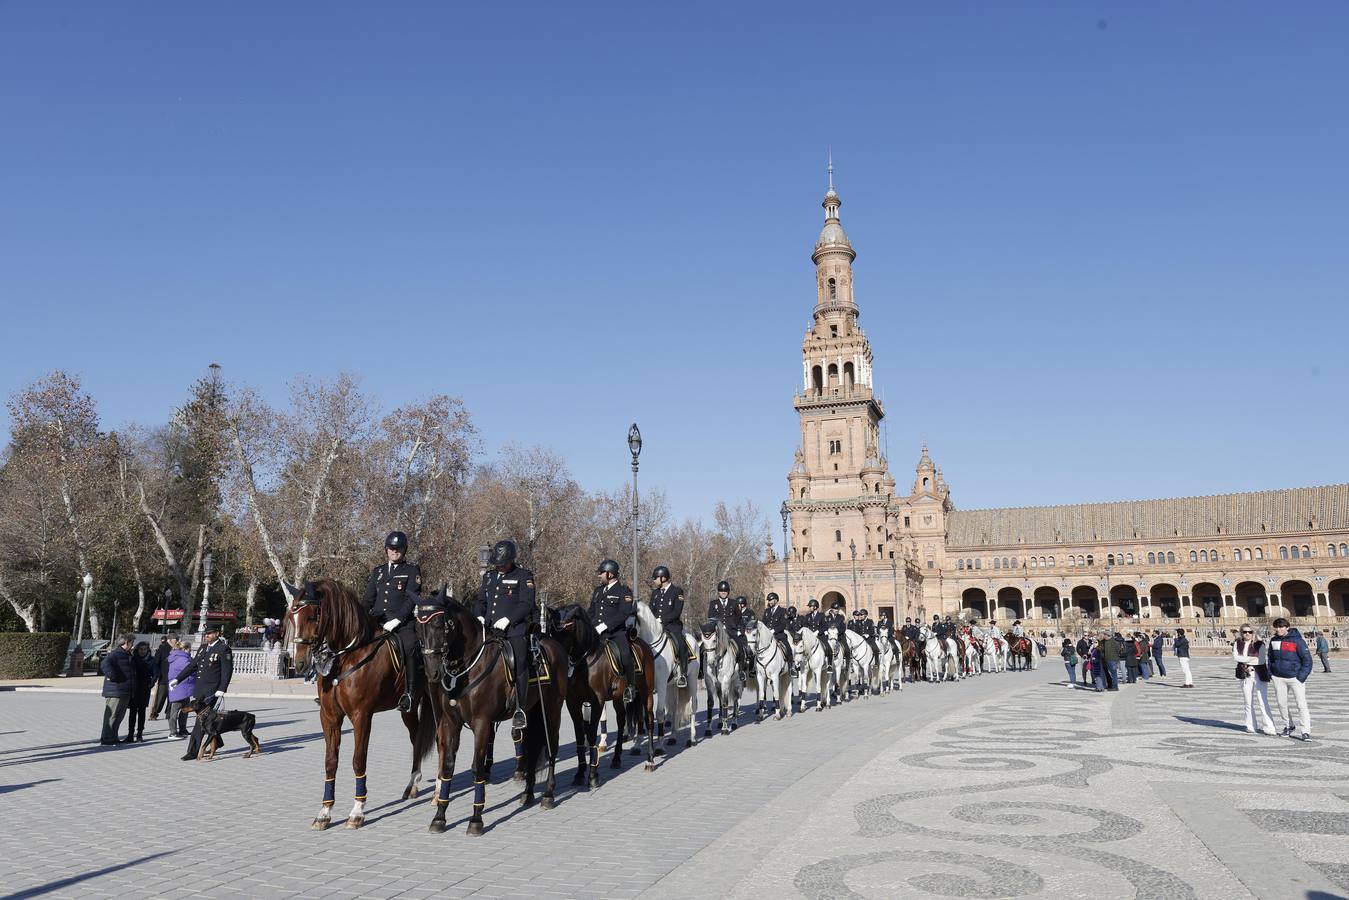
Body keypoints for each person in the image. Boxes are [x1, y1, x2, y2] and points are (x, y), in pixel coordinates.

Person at [361, 530, 423, 712]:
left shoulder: (412, 571)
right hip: (377, 620)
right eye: (391, 548)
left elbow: (412, 598)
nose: (394, 552)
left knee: (411, 646)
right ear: (386, 549)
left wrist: (397, 619)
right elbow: (368, 599)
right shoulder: (378, 572)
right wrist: (359, 616)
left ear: (404, 551)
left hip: (401, 623)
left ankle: (410, 694)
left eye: (398, 549)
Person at [480, 539, 537, 730]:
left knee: (519, 663)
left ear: (511, 559)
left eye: (503, 563)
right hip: (489, 631)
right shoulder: (489, 577)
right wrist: (479, 615)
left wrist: (508, 620)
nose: (499, 566)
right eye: (497, 563)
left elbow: (526, 604)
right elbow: (481, 600)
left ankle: (520, 709)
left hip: (513, 631)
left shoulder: (523, 576)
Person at [169, 623, 234, 760]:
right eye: (206, 634)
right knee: (208, 720)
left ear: (217, 634)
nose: (206, 636)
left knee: (201, 722)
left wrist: (222, 689)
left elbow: (227, 671)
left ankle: (193, 752)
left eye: (209, 633)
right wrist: (178, 679)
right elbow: (193, 666)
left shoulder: (223, 649)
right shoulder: (203, 648)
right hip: (199, 690)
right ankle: (218, 743)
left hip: (212, 692)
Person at [590, 559, 637, 704]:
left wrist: (604, 626)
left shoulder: (624, 591)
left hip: (616, 633)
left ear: (610, 574)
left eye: (601, 573)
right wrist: (588, 625)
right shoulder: (598, 591)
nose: (599, 576)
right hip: (596, 634)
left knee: (625, 655)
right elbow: (591, 611)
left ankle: (630, 687)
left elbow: (623, 613)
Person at [1266, 618, 1313, 740]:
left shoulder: (1297, 641)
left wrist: (1301, 677)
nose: (1279, 629)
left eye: (1281, 627)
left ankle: (1305, 731)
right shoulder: (1273, 640)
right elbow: (1270, 658)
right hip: (1278, 677)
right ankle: (1288, 725)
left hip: (1295, 677)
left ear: (1287, 627)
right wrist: (1271, 673)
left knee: (1301, 704)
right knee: (1282, 704)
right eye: (1276, 627)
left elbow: (1307, 660)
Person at [649, 565, 691, 687]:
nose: (654, 581)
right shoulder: (655, 593)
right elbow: (651, 609)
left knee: (681, 643)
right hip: (656, 628)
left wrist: (661, 619)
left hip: (672, 626)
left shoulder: (677, 591)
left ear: (663, 578)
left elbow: (677, 611)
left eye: (655, 578)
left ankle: (683, 674)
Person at [1233, 625, 1277, 735]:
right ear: (1241, 633)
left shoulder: (1259, 644)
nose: (1247, 634)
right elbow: (1236, 657)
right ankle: (1250, 725)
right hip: (1245, 674)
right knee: (1248, 702)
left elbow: (1261, 660)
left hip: (1259, 674)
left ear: (1253, 632)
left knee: (1262, 701)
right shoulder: (1238, 643)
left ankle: (1269, 727)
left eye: (1250, 632)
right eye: (1244, 632)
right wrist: (1251, 659)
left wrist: (1245, 660)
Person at [99, 634, 135, 746]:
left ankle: (113, 737)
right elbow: (104, 664)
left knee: (119, 716)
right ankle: (106, 739)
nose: (133, 645)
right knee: (111, 716)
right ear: (126, 643)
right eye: (132, 642)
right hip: (115, 691)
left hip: (124, 690)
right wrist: (113, 676)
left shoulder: (127, 654)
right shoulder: (116, 653)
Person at [125, 640, 156, 743]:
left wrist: (150, 684)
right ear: (137, 650)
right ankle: (130, 734)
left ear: (148, 650)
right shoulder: (133, 659)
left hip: (144, 689)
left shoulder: (151, 660)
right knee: (132, 713)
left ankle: (139, 735)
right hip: (134, 688)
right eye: (141, 649)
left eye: (145, 649)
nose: (142, 651)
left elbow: (156, 674)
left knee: (141, 713)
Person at [166, 640, 195, 738]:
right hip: (180, 688)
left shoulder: (179, 657)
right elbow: (191, 670)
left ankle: (182, 730)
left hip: (182, 688)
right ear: (185, 649)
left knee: (184, 711)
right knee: (175, 711)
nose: (191, 650)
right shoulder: (182, 659)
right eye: (189, 648)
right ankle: (173, 732)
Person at [761, 592, 794, 672]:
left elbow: (783, 624)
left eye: (771, 600)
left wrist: (774, 630)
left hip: (779, 635)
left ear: (776, 600)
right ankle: (755, 668)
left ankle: (791, 668)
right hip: (767, 636)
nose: (769, 602)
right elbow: (763, 622)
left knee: (788, 649)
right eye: (768, 600)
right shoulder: (767, 611)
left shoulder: (783, 611)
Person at [800, 598, 832, 667]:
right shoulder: (807, 616)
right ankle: (800, 664)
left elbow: (825, 626)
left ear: (815, 607)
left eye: (810, 606)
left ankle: (829, 665)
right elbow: (804, 626)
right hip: (810, 637)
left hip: (820, 636)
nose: (809, 608)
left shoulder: (821, 615)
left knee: (828, 647)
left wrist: (818, 631)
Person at [149, 635, 172, 720]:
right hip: (166, 677)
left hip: (169, 678)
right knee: (163, 698)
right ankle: (157, 713)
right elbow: (156, 662)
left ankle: (165, 713)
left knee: (167, 698)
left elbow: (156, 662)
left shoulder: (176, 649)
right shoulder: (163, 649)